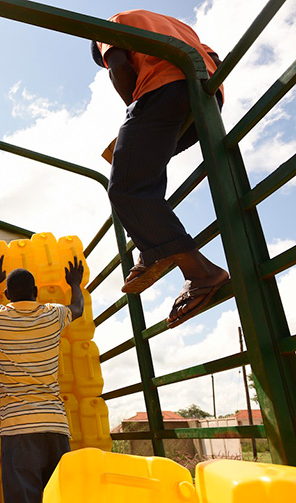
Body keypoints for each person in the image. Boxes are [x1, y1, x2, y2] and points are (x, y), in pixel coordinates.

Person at [90, 9, 230, 328]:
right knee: (141, 167)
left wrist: (136, 110)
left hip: (164, 90)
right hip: (206, 97)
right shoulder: (177, 25)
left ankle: (201, 273)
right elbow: (216, 59)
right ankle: (152, 247)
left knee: (126, 188)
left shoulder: (109, 25)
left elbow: (119, 66)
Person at [0, 254, 83, 503]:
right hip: (55, 425)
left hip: (17, 427)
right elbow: (77, 308)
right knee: (58, 497)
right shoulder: (54, 314)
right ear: (36, 292)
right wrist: (74, 283)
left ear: (8, 295)